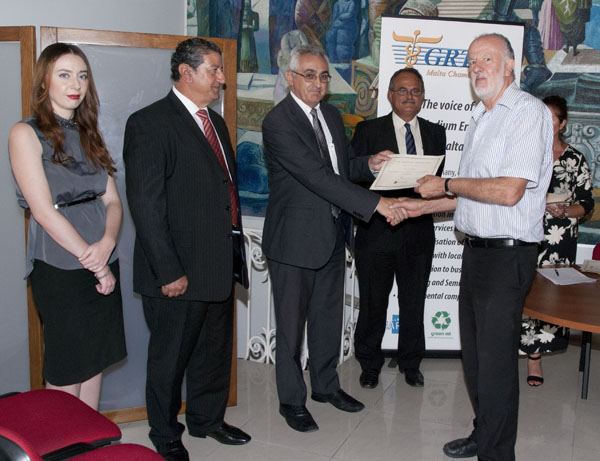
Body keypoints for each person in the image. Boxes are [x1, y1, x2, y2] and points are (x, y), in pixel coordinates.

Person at [395, 33, 553, 460]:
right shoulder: (481, 117)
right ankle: (484, 434)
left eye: (486, 59)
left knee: (497, 365)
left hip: (507, 256)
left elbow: (507, 191)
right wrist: (415, 207)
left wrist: (444, 182)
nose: (476, 68)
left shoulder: (527, 112)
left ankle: (497, 453)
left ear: (510, 65)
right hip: (476, 252)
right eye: (470, 62)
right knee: (477, 361)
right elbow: (470, 193)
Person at [261, 44, 406, 433]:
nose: (318, 83)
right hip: (293, 242)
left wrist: (368, 163)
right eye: (309, 75)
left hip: (331, 234)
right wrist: (377, 205)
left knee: (327, 319)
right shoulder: (278, 122)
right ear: (291, 77)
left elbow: (338, 168)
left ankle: (325, 386)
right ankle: (292, 401)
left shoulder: (330, 114)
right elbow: (315, 176)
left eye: (323, 76)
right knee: (291, 330)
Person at [123, 38, 250, 461]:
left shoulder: (216, 122)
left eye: (221, 70)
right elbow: (146, 205)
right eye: (214, 69)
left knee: (214, 351)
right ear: (186, 72)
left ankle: (207, 418)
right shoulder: (149, 123)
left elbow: (221, 190)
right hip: (176, 271)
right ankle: (164, 432)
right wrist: (168, 271)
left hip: (217, 263)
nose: (222, 78)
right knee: (169, 358)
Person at [8, 43, 126, 410]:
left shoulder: (90, 131)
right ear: (44, 82)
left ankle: (88, 443)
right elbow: (42, 211)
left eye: (82, 75)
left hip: (103, 254)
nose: (75, 84)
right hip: (60, 264)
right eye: (64, 74)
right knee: (66, 365)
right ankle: (61, 445)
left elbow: (112, 201)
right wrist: (95, 261)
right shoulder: (24, 133)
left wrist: (107, 242)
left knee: (93, 361)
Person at [351, 67, 446, 389]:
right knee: (373, 303)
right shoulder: (367, 130)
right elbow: (353, 179)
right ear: (390, 95)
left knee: (414, 302)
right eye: (402, 90)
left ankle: (411, 363)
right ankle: (369, 364)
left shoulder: (436, 133)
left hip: (418, 233)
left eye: (416, 91)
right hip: (377, 230)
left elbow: (433, 184)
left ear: (422, 97)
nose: (409, 96)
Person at [521, 95, 594, 387]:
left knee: (551, 297)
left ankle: (535, 357)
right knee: (523, 293)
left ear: (562, 123)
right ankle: (526, 350)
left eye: (551, 118)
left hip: (559, 237)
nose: (545, 122)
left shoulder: (575, 159)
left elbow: (586, 204)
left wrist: (565, 209)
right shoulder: (524, 152)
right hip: (526, 232)